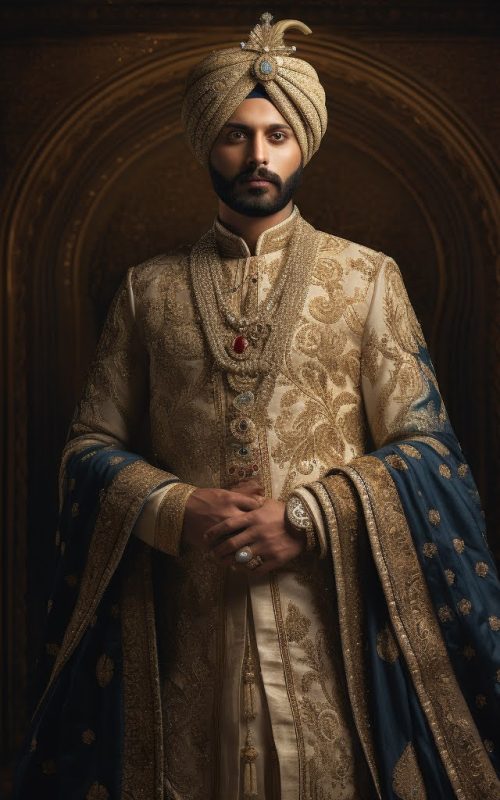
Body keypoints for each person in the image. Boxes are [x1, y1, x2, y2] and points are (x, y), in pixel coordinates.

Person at [15, 12, 500, 800]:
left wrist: (308, 517)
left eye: (277, 135)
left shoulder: (366, 279)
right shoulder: (148, 290)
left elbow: (428, 450)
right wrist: (175, 507)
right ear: (206, 144)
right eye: (236, 136)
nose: (258, 156)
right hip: (186, 643)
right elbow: (88, 450)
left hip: (333, 642)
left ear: (304, 143)